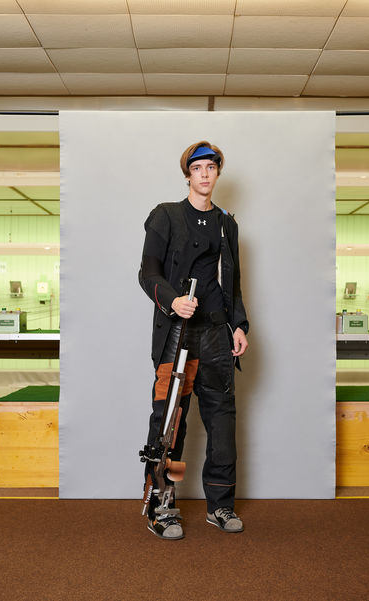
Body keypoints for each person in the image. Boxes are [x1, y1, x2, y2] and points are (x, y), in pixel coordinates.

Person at [139, 141, 249, 540]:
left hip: (217, 336)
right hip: (178, 335)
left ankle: (220, 506)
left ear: (218, 173)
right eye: (198, 168)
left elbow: (232, 284)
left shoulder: (226, 224)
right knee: (170, 423)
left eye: (211, 167)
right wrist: (173, 300)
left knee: (222, 423)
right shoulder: (166, 216)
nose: (205, 174)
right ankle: (161, 508)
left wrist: (239, 325)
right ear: (188, 174)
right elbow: (147, 272)